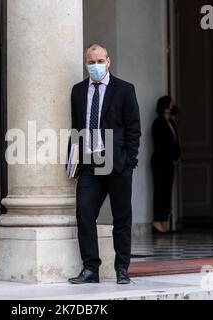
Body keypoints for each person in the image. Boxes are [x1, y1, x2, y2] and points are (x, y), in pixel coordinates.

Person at [68, 44, 141, 285]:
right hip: (90, 162)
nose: (96, 66)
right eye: (91, 62)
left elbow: (133, 129)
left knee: (121, 218)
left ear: (108, 62)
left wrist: (129, 161)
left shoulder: (124, 89)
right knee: (84, 214)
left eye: (100, 61)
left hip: (117, 163)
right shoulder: (78, 91)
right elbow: (76, 127)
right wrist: (73, 161)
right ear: (85, 63)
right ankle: (90, 269)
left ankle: (122, 269)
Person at [151, 96, 181, 233]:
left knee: (167, 192)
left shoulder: (172, 122)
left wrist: (177, 156)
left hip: (170, 164)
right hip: (160, 163)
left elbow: (175, 142)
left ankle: (165, 220)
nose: (173, 104)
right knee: (160, 191)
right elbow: (161, 145)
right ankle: (158, 221)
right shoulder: (158, 123)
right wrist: (170, 157)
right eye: (171, 103)